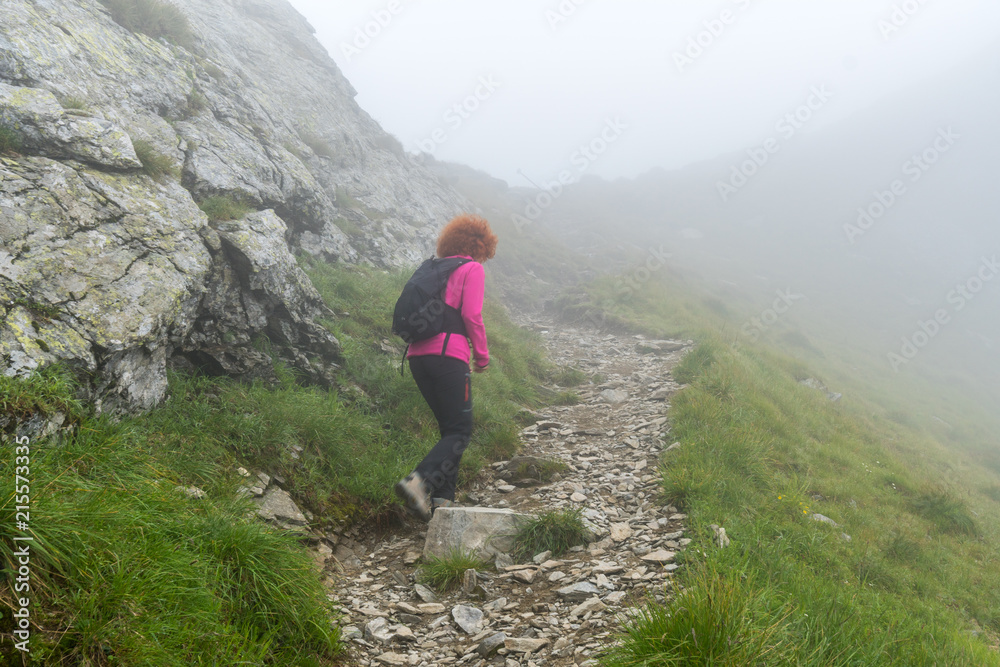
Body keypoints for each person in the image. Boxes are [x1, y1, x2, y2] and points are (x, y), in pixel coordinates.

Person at [394, 213, 498, 521]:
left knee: (450, 430)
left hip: (417, 358)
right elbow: (472, 315)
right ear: (481, 245)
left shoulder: (432, 269)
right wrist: (482, 356)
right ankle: (418, 481)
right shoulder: (471, 269)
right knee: (461, 431)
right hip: (448, 357)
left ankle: (443, 503)